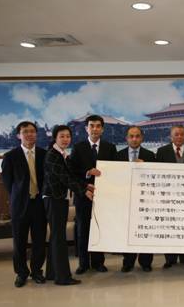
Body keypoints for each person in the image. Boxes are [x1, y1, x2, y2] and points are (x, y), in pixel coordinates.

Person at [43, 125, 94, 285]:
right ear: (55, 138)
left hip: (60, 199)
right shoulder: (52, 155)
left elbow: (72, 174)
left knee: (56, 236)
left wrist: (86, 185)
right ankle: (63, 277)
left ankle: (52, 273)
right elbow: (65, 178)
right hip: (54, 199)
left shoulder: (63, 154)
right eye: (62, 136)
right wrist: (83, 191)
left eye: (68, 136)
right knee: (59, 237)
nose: (65, 139)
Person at [1, 121, 47, 287]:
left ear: (36, 134)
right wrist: (20, 196)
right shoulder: (10, 156)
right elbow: (8, 183)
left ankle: (36, 271)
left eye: (32, 131)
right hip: (20, 205)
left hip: (40, 205)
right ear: (18, 135)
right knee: (19, 242)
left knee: (39, 241)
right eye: (25, 131)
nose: (29, 134)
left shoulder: (44, 154)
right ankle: (21, 273)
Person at [70, 115, 117, 275]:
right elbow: (72, 172)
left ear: (102, 129)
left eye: (98, 126)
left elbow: (114, 172)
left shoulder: (110, 147)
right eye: (92, 126)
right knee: (82, 230)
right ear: (86, 128)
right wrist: (87, 172)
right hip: (83, 195)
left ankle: (98, 262)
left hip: (103, 198)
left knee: (99, 229)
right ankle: (83, 263)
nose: (95, 129)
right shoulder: (78, 147)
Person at [156, 125, 184, 269]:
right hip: (168, 198)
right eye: (176, 134)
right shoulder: (162, 152)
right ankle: (170, 259)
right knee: (169, 228)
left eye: (182, 134)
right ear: (171, 136)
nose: (179, 137)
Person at [117, 126, 156, 272]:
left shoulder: (150, 155)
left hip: (145, 200)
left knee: (145, 231)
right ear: (126, 138)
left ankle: (146, 262)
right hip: (125, 200)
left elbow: (156, 178)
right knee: (127, 232)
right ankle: (128, 262)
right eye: (131, 136)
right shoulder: (118, 155)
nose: (134, 139)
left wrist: (145, 168)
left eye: (137, 136)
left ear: (142, 138)